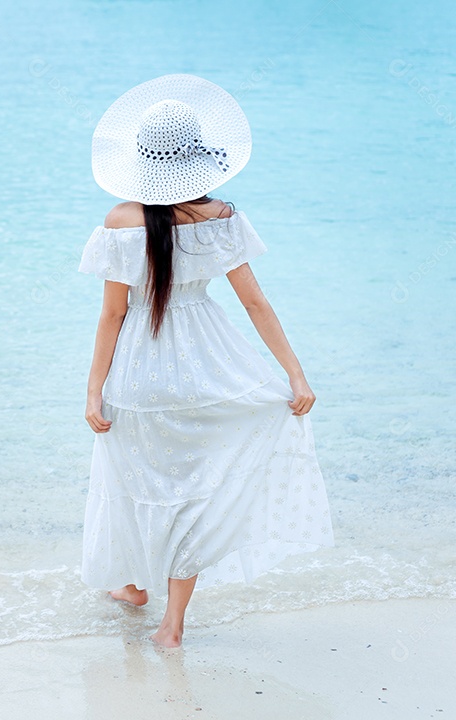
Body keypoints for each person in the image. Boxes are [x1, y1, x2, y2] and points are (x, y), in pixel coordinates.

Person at [78, 74, 334, 648]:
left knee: (134, 479)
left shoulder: (120, 222)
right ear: (197, 162)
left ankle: (133, 586)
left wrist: (94, 389)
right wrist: (294, 373)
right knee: (195, 489)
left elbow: (112, 317)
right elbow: (254, 302)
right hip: (209, 369)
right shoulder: (220, 217)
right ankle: (172, 625)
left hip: (139, 374)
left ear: (140, 162)